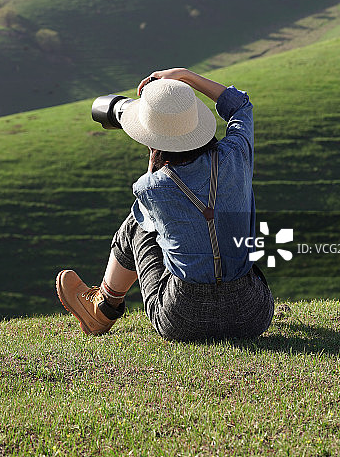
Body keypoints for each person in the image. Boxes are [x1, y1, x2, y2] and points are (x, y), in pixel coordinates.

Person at [56, 68, 274, 341]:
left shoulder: (152, 188)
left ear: (150, 139)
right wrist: (186, 77)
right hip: (252, 315)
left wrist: (153, 167)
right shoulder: (236, 154)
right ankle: (101, 306)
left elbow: (154, 221)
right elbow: (240, 105)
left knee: (137, 223)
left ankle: (103, 307)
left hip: (182, 319)